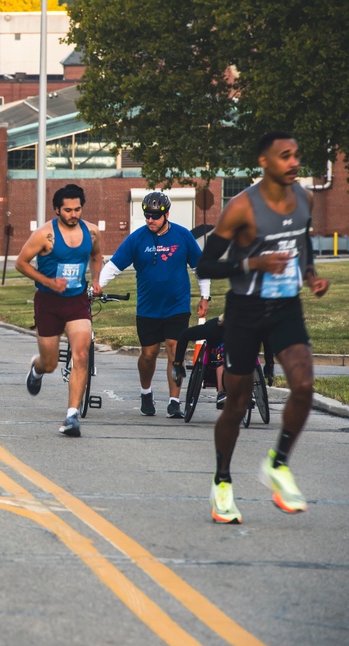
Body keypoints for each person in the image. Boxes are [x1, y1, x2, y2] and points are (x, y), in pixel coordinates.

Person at [196, 131, 329, 524]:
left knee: (303, 385)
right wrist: (251, 264)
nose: (293, 162)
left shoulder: (304, 198)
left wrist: (311, 275)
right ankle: (222, 482)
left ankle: (278, 463)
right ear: (264, 162)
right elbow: (205, 266)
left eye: (297, 156)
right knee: (236, 405)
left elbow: (301, 242)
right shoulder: (241, 208)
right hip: (245, 311)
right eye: (285, 156)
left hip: (286, 307)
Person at [99, 191, 210, 418]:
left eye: (155, 216)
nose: (150, 220)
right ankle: (146, 392)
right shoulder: (137, 238)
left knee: (173, 350)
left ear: (166, 214)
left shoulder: (182, 236)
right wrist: (97, 286)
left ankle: (174, 401)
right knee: (148, 355)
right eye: (147, 215)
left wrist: (205, 296)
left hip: (177, 306)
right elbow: (114, 266)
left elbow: (201, 268)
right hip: (148, 308)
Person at [15, 184, 104, 437]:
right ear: (57, 210)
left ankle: (72, 415)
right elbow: (20, 263)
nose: (73, 214)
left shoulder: (92, 232)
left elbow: (97, 256)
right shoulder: (44, 234)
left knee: (81, 354)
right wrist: (49, 282)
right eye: (67, 210)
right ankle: (37, 367)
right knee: (51, 363)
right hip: (48, 302)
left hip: (76, 301)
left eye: (77, 209)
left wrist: (96, 279)